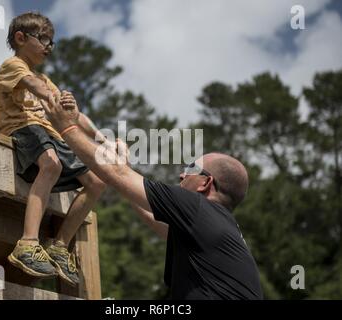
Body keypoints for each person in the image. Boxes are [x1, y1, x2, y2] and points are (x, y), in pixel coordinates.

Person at [41, 92, 264, 300]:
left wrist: (66, 127)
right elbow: (154, 218)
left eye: (190, 168)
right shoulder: (216, 227)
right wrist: (124, 177)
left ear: (206, 183)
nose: (181, 174)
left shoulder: (198, 208)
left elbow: (116, 174)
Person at [0, 12, 107, 286]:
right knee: (51, 163)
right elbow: (34, 86)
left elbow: (76, 116)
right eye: (43, 39)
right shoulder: (13, 65)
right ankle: (27, 243)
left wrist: (101, 137)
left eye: (52, 42)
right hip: (24, 128)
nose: (48, 47)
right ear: (21, 38)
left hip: (51, 136)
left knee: (97, 182)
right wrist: (54, 98)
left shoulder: (45, 79)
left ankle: (59, 245)